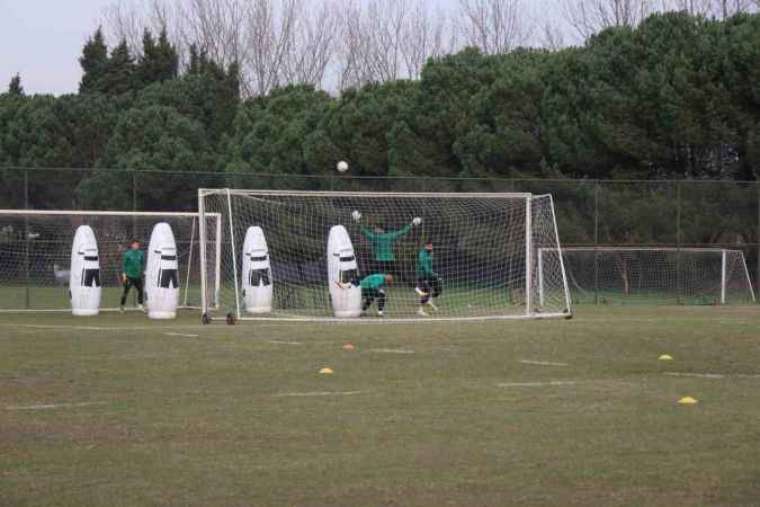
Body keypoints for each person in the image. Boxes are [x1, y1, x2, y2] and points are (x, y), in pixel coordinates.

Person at [357, 216, 421, 275]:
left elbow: (364, 232)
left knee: (378, 275)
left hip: (380, 260)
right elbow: (402, 232)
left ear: (381, 229)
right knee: (398, 274)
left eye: (376, 228)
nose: (374, 229)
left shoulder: (375, 237)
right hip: (390, 259)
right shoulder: (389, 235)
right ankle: (412, 284)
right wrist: (412, 224)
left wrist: (358, 222)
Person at [416, 240, 442, 316]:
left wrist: (434, 274)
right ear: (425, 246)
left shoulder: (430, 253)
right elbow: (425, 267)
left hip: (430, 275)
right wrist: (433, 274)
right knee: (426, 292)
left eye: (432, 246)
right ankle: (420, 310)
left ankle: (429, 300)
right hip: (422, 276)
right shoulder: (422, 254)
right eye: (429, 246)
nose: (431, 247)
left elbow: (430, 266)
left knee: (439, 288)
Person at [120, 239, 145, 312]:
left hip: (137, 277)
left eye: (137, 244)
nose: (136, 246)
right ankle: (122, 306)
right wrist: (124, 274)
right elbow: (124, 265)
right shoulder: (127, 254)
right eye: (135, 244)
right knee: (126, 292)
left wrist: (143, 271)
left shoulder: (141, 253)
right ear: (132, 245)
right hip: (129, 276)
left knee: (141, 290)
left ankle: (140, 305)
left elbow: (142, 263)